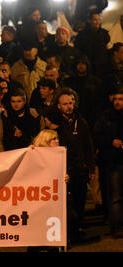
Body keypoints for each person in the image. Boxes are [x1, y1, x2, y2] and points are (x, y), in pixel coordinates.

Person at [55, 89, 96, 243]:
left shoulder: (81, 121)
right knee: (66, 204)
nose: (69, 106)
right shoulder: (56, 124)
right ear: (59, 106)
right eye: (65, 104)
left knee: (80, 202)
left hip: (80, 170)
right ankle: (67, 232)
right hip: (63, 169)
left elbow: (88, 146)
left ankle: (77, 230)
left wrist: (91, 167)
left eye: (71, 103)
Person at [93, 88, 123, 238]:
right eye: (116, 99)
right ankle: (116, 226)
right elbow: (97, 136)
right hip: (113, 161)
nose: (117, 102)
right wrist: (111, 142)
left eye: (121, 99)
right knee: (115, 196)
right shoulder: (105, 117)